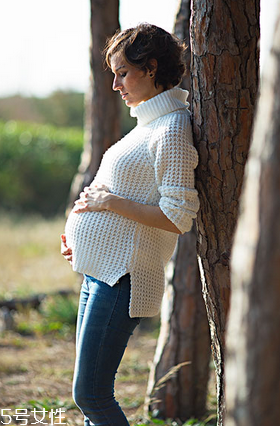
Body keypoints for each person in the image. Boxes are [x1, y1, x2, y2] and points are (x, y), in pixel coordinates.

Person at [61, 23, 200, 426]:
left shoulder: (172, 129)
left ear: (151, 68)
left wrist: (108, 203)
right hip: (100, 273)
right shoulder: (147, 126)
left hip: (125, 277)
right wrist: (79, 233)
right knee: (89, 398)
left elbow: (178, 216)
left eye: (122, 73)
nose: (115, 85)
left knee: (90, 394)